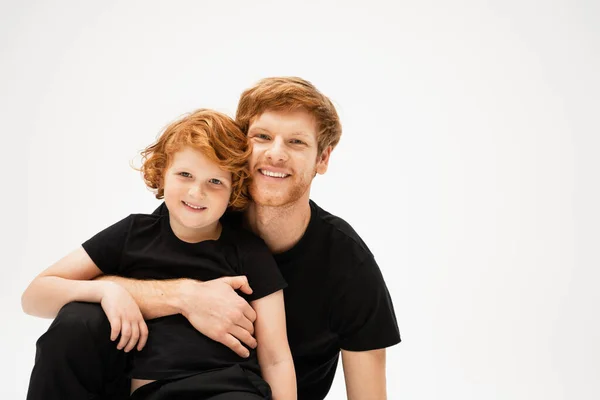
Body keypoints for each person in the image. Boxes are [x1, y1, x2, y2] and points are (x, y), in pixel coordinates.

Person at [23, 77, 401, 400]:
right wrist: (184, 296)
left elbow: (361, 390)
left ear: (323, 159)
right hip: (144, 383)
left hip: (242, 392)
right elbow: (54, 290)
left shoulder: (347, 263)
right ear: (240, 146)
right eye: (263, 136)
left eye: (297, 142)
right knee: (77, 321)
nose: (275, 153)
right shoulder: (201, 209)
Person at [21, 109, 296, 400]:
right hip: (150, 391)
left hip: (227, 388)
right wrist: (105, 291)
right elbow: (34, 297)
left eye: (215, 182)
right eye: (185, 175)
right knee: (75, 320)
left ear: (235, 189)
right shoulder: (132, 234)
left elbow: (276, 356)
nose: (196, 192)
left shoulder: (249, 251)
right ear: (162, 172)